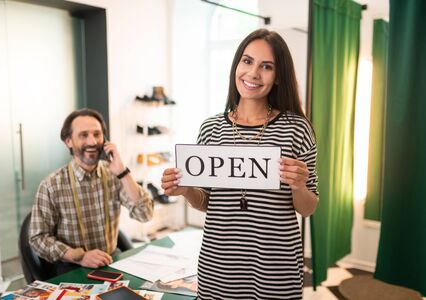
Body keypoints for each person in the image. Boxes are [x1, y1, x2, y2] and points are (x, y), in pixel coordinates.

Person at [161, 29, 318, 299]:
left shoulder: (297, 128)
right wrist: (186, 189)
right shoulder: (211, 128)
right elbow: (207, 201)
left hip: (275, 269)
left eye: (266, 66)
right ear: (236, 66)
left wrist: (299, 185)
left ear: (278, 76)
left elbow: (308, 207)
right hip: (219, 267)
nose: (253, 73)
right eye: (247, 61)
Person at [29, 108, 153, 274]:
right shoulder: (51, 185)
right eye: (83, 135)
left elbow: (144, 214)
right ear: (68, 141)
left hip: (111, 260)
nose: (93, 141)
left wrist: (123, 172)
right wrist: (79, 256)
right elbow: (38, 238)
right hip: (71, 266)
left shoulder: (114, 175)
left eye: (97, 134)